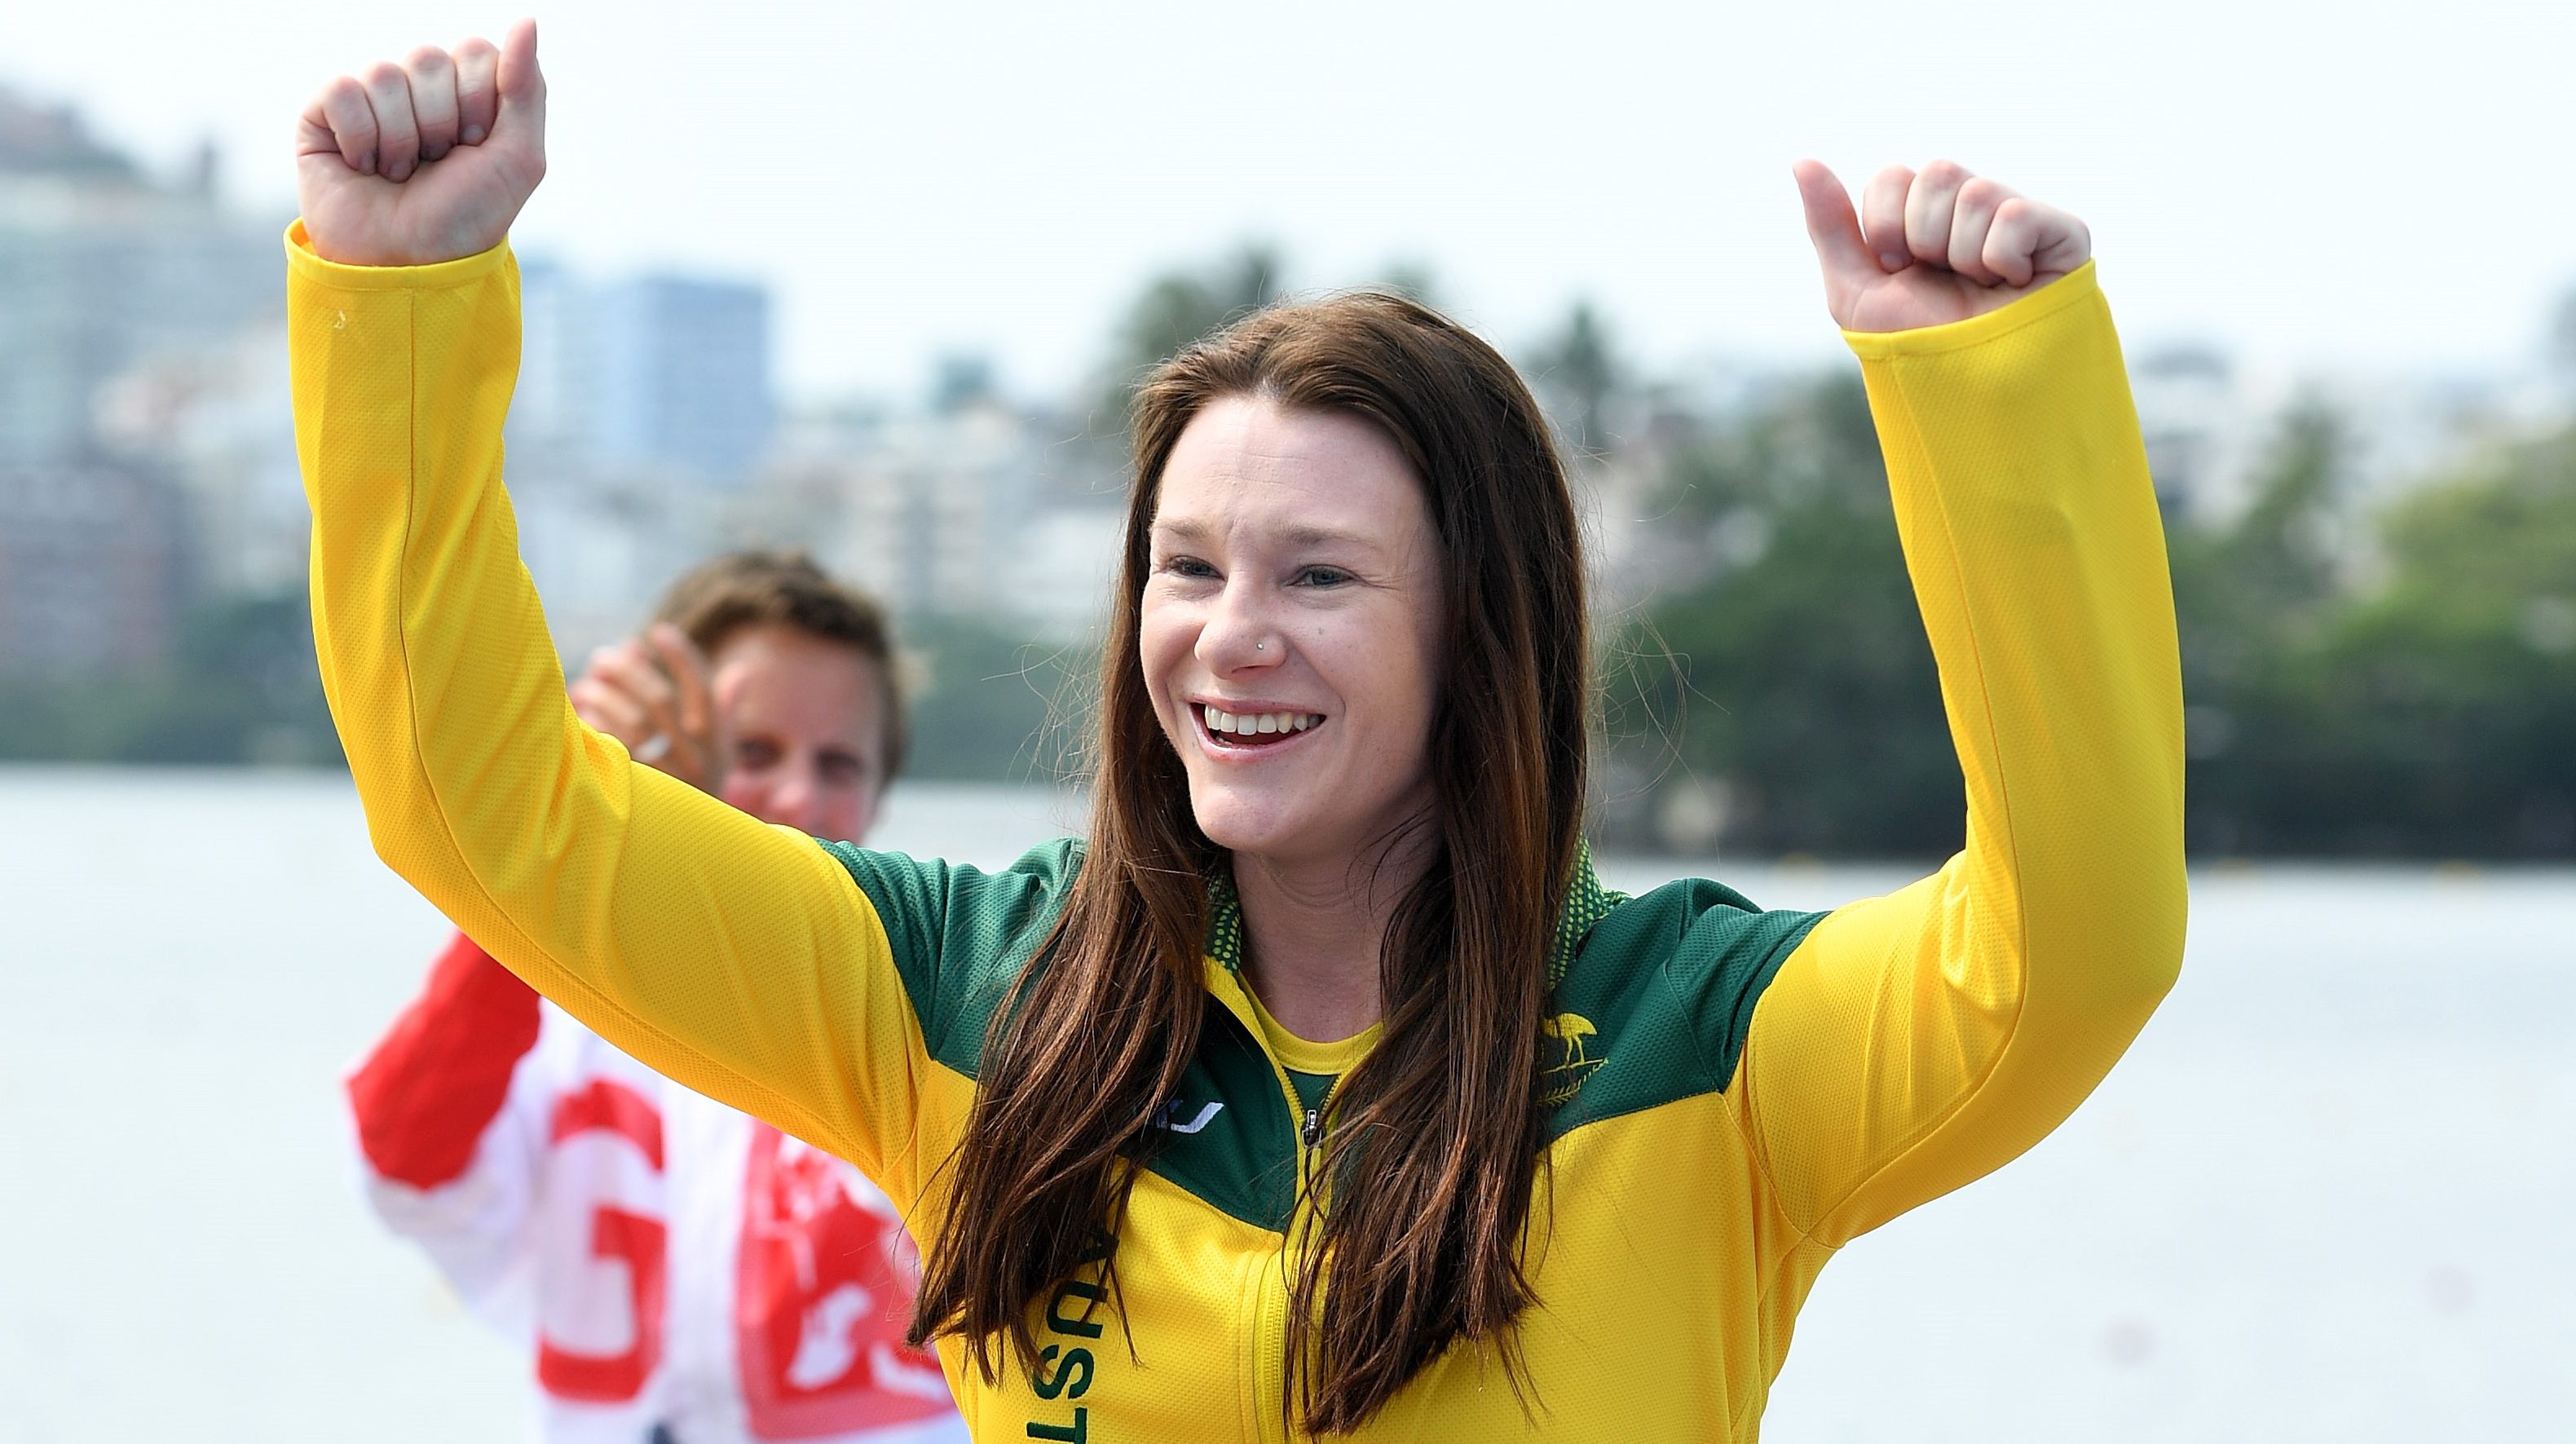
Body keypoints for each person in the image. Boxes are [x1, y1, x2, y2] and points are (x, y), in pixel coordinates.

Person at [287, 22, 2185, 1440]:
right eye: (1183, 567)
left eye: (1319, 578)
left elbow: (2071, 949)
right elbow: (482, 810)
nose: (1225, 637)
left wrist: (1991, 403)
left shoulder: (1706, 1045)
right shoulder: (962, 996)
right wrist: (396, 298)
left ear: (1480, 635)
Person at [346, 551, 964, 1444]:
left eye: (838, 765)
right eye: (752, 752)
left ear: (879, 795)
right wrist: (562, 846)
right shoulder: (560, 1017)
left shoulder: (949, 1038)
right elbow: (404, 1165)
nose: (797, 797)